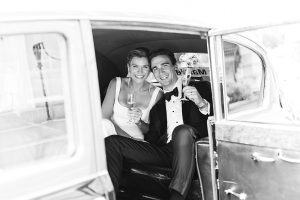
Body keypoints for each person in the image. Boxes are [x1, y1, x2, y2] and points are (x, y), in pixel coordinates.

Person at [105, 49, 213, 200]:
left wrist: (201, 103)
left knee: (181, 131)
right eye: (155, 68)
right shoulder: (157, 106)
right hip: (166, 152)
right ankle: (108, 196)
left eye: (164, 65)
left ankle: (176, 197)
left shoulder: (201, 88)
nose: (160, 71)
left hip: (193, 149)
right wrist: (139, 122)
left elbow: (217, 119)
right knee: (111, 142)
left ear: (175, 66)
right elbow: (152, 138)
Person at [102, 48, 163, 140]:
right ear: (128, 67)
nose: (140, 71)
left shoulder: (157, 94)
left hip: (136, 143)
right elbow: (104, 118)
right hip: (111, 135)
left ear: (150, 69)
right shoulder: (116, 83)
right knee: (103, 123)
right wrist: (127, 138)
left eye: (145, 67)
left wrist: (139, 122)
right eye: (135, 66)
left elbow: (152, 132)